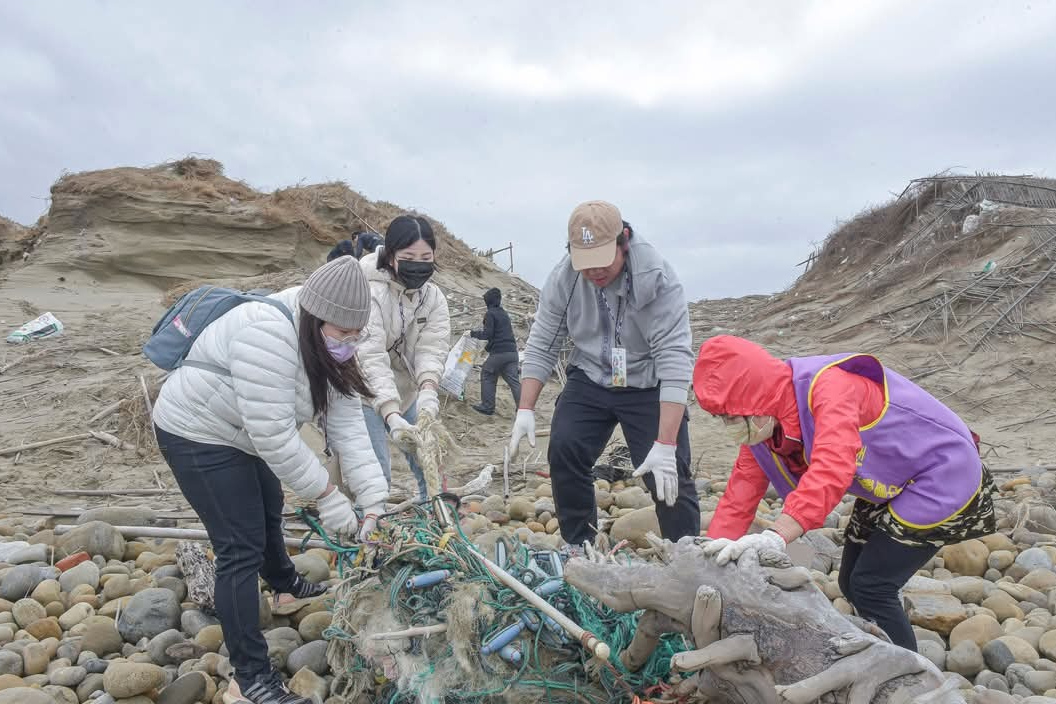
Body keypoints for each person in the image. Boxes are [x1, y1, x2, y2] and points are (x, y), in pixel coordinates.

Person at [152, 256, 388, 704]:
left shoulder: (328, 342)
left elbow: (349, 427)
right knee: (239, 545)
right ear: (317, 317)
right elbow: (275, 436)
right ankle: (251, 677)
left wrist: (374, 499)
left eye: (358, 336)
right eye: (344, 335)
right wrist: (328, 496)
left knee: (268, 506)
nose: (350, 345)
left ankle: (285, 584)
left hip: (242, 433)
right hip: (195, 431)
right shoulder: (265, 332)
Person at [694, 335, 997, 651]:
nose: (729, 425)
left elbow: (832, 467)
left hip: (943, 473)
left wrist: (776, 535)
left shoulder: (828, 387)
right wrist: (709, 558)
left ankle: (909, 678)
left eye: (730, 416)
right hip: (892, 480)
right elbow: (739, 493)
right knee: (849, 582)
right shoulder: (763, 430)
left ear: (754, 399)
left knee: (872, 586)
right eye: (722, 418)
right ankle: (877, 650)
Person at [508, 201, 701, 549]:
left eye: (602, 260)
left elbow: (674, 359)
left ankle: (687, 556)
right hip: (592, 373)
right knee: (565, 448)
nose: (594, 271)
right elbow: (542, 341)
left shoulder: (657, 279)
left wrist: (667, 442)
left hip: (647, 380)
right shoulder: (564, 278)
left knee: (668, 473)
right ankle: (578, 546)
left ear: (622, 241)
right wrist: (525, 409)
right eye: (585, 263)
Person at [357, 215, 451, 500]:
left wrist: (428, 390)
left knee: (428, 461)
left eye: (426, 257)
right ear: (390, 255)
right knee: (375, 473)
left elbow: (431, 348)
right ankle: (370, 531)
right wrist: (390, 414)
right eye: (409, 256)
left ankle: (434, 517)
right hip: (361, 391)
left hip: (406, 390)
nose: (418, 264)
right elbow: (368, 355)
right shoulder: (367, 290)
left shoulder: (432, 298)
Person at [470, 287, 521, 415]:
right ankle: (523, 408)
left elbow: (488, 334)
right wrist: (488, 348)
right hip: (512, 353)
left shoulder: (490, 314)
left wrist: (472, 333)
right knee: (514, 381)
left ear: (488, 301)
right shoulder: (504, 313)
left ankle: (488, 406)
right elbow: (499, 335)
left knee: (487, 373)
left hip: (500, 353)